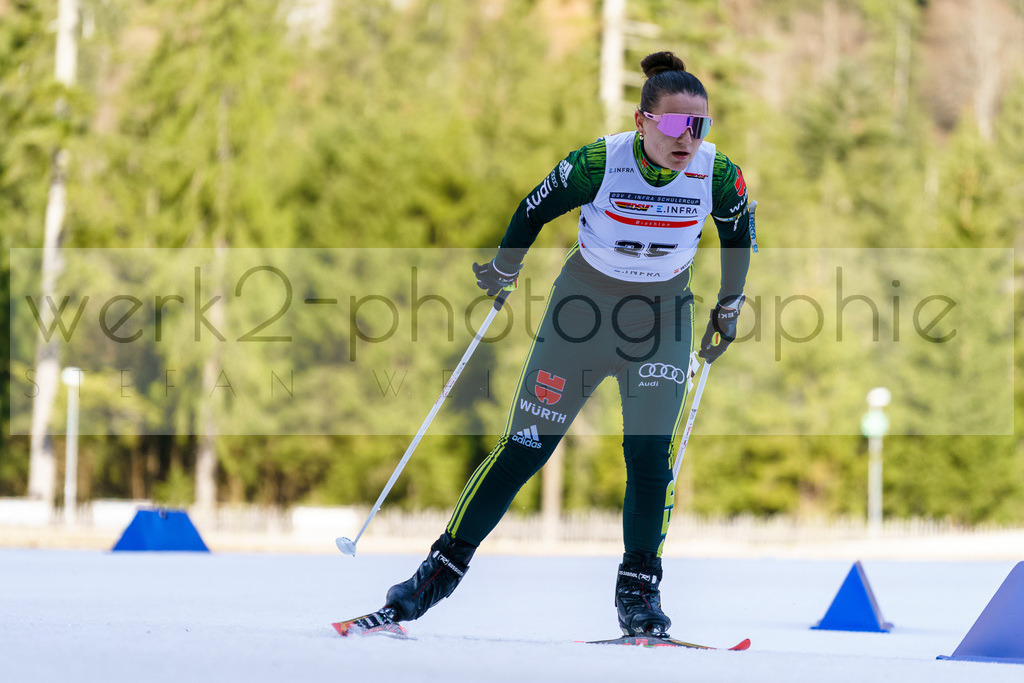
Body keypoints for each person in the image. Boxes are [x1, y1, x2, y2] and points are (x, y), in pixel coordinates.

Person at [369, 51, 752, 638]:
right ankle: (433, 577)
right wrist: (503, 267)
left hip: (662, 322)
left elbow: (739, 234)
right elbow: (532, 208)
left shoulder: (718, 173)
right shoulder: (601, 161)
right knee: (525, 447)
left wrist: (728, 307)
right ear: (643, 119)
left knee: (650, 459)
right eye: (675, 124)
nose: (688, 139)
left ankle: (639, 597)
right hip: (583, 316)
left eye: (699, 126)